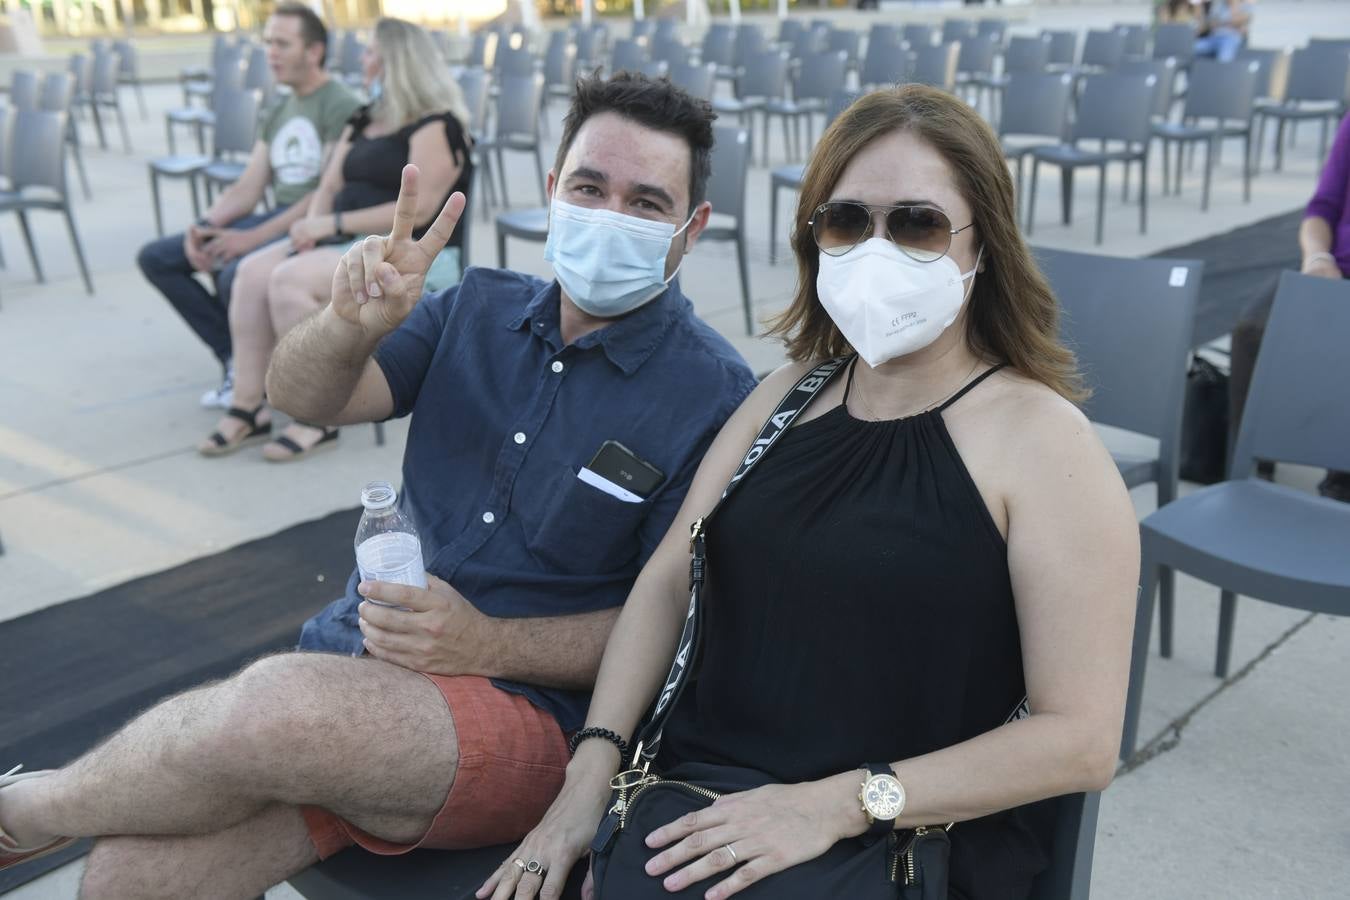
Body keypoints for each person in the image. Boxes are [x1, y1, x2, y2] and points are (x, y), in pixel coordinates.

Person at [0, 74, 757, 898]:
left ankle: (29, 811)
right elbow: (301, 397)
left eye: (646, 203)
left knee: (273, 711)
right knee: (125, 880)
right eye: (588, 187)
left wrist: (486, 646)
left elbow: (677, 622)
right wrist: (345, 328)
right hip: (361, 665)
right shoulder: (472, 304)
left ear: (693, 229)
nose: (609, 215)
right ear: (551, 192)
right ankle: (335, 794)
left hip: (529, 712)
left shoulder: (715, 397)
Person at [479, 84, 1139, 900]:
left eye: (918, 223)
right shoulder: (785, 396)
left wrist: (841, 804)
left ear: (984, 246)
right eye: (847, 220)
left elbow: (1081, 741)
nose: (876, 247)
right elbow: (667, 581)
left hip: (901, 842)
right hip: (696, 813)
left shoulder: (1045, 445)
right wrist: (592, 770)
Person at [198, 17, 474, 460]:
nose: (362, 61)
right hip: (343, 241)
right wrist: (310, 227)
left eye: (370, 53)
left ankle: (316, 416)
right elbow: (327, 185)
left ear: (395, 62)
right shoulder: (363, 118)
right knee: (251, 272)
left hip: (410, 255)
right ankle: (249, 405)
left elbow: (423, 210)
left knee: (287, 279)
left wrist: (330, 225)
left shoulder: (436, 125)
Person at [137, 3, 361, 412]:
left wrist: (249, 239)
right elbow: (249, 184)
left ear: (314, 51)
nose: (270, 53)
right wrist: (205, 225)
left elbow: (323, 194)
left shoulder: (341, 103)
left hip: (312, 223)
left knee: (234, 271)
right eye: (268, 43)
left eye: (282, 43)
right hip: (273, 217)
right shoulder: (280, 105)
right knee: (158, 258)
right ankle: (236, 362)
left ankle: (255, 381)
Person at [1230, 111, 1350, 501]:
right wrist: (1317, 257)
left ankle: (1340, 484)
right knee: (1253, 329)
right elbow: (1321, 209)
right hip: (1332, 269)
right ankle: (1249, 463)